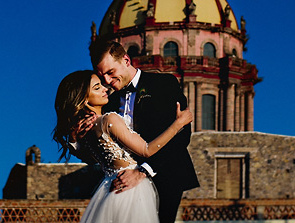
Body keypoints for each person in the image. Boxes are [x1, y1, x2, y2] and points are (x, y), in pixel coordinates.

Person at [53, 70, 193, 223]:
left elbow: (88, 158)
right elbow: (146, 150)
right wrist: (178, 124)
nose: (105, 88)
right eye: (97, 87)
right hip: (130, 189)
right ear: (84, 99)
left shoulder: (87, 129)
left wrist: (74, 138)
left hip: (109, 189)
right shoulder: (109, 120)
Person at [87, 40, 200, 223]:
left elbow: (181, 136)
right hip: (123, 182)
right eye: (102, 76)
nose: (107, 81)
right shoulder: (109, 101)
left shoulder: (163, 84)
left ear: (126, 60)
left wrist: (143, 171)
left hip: (164, 174)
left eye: (110, 72)